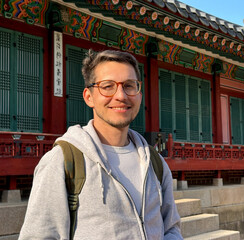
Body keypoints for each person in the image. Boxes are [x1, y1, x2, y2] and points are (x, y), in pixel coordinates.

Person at [19, 50, 182, 239]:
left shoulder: (155, 163)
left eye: (129, 86)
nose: (120, 95)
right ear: (89, 97)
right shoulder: (63, 161)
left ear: (139, 95)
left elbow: (171, 228)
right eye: (108, 86)